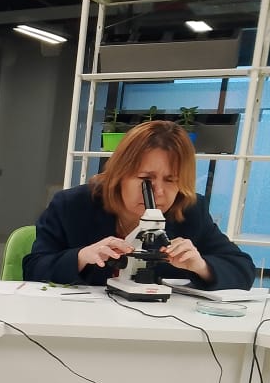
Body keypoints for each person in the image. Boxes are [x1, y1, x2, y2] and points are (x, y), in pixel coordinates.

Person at [23, 120, 255, 289]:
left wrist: (201, 266)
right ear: (119, 175)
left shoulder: (190, 210)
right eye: (146, 179)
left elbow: (242, 269)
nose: (159, 192)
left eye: (171, 180)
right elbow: (34, 269)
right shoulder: (72, 205)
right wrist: (82, 256)